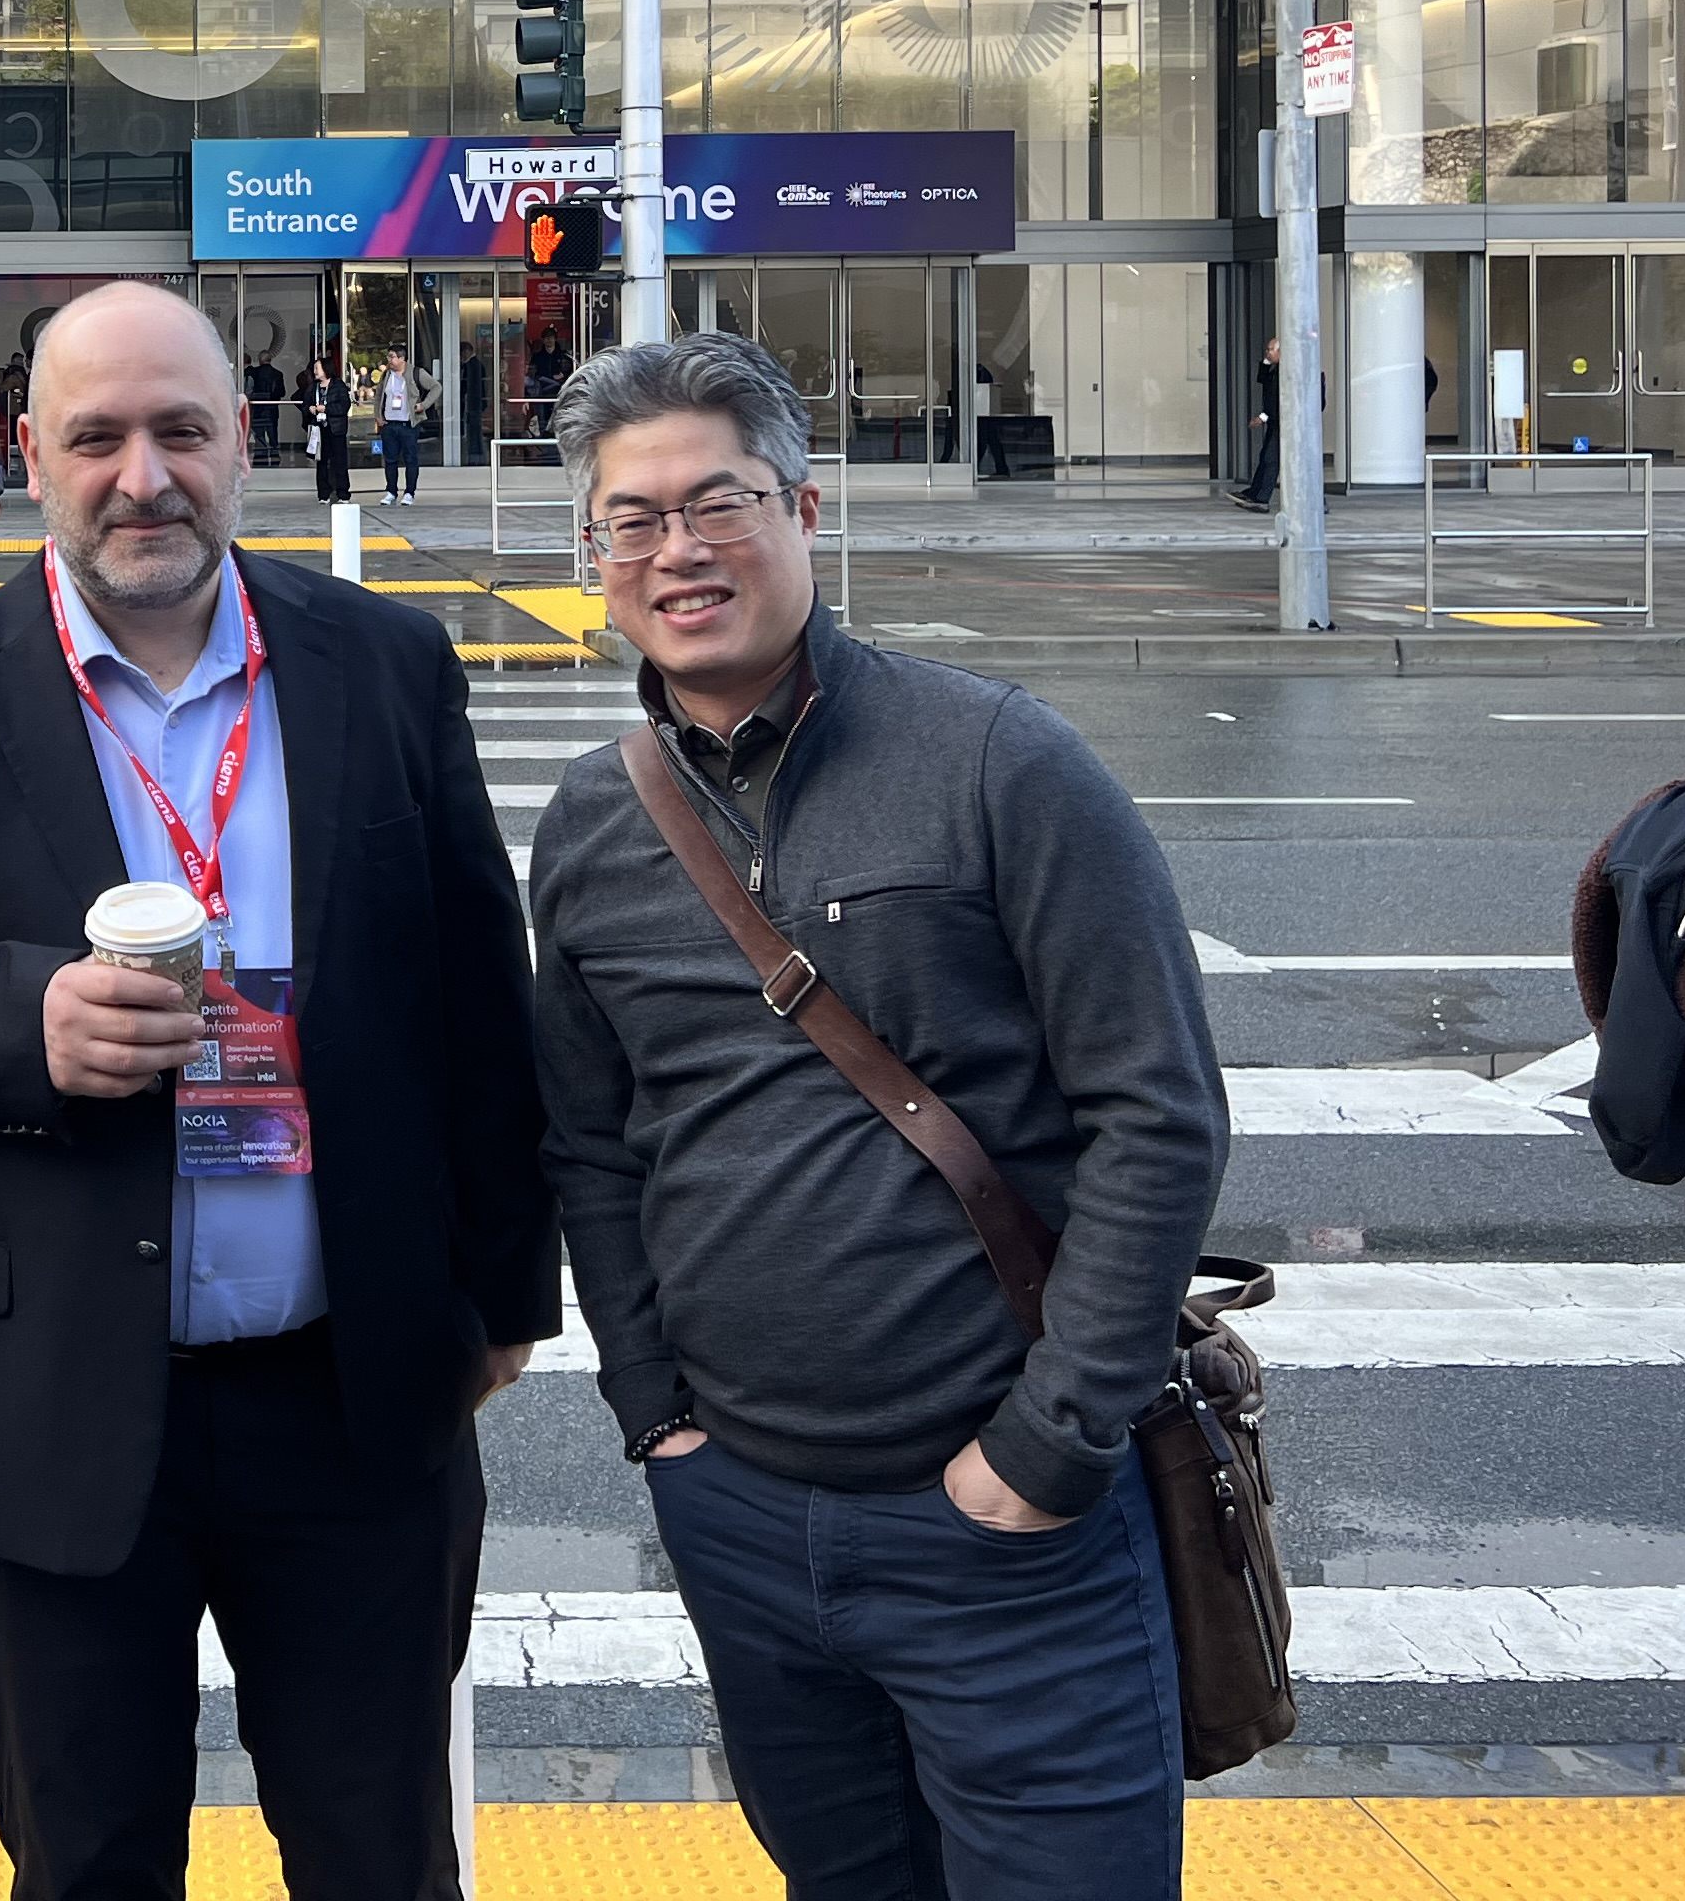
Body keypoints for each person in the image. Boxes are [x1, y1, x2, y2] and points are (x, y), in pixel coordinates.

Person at [0, 280, 558, 1901]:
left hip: (351, 1399)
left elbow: (483, 993)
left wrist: (501, 1291)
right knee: (88, 1862)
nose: (143, 474)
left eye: (180, 429)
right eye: (97, 436)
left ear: (242, 442)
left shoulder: (385, 667)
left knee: (382, 1856)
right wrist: (17, 1016)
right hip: (47, 1398)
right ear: (25, 456)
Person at [524, 331, 1226, 1897]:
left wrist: (1047, 1447)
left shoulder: (996, 759)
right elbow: (590, 1135)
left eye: (721, 502)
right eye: (630, 522)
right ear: (596, 554)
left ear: (807, 511)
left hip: (1006, 1531)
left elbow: (1158, 1110)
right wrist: (657, 1412)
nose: (677, 550)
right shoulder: (592, 820)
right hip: (745, 1524)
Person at [1234, 333, 1280, 507]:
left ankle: (1261, 498)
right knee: (1266, 458)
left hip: (1280, 423)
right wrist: (1267, 362)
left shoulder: (1285, 372)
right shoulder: (1275, 369)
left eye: (1270, 350)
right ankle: (1255, 493)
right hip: (1275, 422)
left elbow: (1275, 400)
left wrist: (1262, 417)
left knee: (1270, 460)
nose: (1267, 353)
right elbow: (1262, 380)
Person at [373, 349, 419, 506]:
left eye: (392, 357)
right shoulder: (386, 375)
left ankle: (409, 492)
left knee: (410, 459)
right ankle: (391, 491)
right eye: (388, 356)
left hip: (407, 424)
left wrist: (422, 405)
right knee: (390, 460)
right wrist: (378, 415)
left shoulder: (414, 373)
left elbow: (436, 388)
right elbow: (379, 395)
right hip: (389, 424)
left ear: (402, 358)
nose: (389, 360)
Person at [306, 352, 351, 505]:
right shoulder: (314, 387)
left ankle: (343, 493)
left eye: (317, 368)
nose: (315, 371)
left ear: (326, 369)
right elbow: (305, 405)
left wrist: (325, 409)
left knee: (339, 461)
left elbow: (344, 406)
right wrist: (310, 409)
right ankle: (323, 494)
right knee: (322, 462)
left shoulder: (338, 386)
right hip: (319, 430)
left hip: (336, 429)